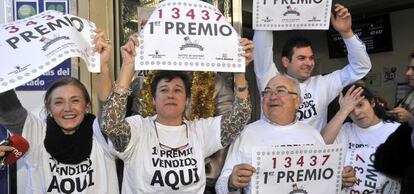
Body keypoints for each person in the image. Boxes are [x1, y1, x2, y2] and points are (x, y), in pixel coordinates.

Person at [99, 35, 253, 193]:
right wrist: (128, 66)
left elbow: (239, 117)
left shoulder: (200, 132)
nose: (170, 95)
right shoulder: (139, 129)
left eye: (177, 90)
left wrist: (240, 72)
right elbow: (111, 124)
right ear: (152, 100)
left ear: (186, 100)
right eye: (164, 90)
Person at [0, 29, 119, 193]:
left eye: (75, 100)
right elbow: (6, 108)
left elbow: (108, 105)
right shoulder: (37, 134)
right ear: (49, 108)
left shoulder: (100, 134)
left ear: (87, 105)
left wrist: (103, 67)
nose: (67, 108)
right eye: (58, 102)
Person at [215, 75, 356, 194]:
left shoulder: (312, 135)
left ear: (297, 101)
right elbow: (220, 187)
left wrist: (340, 181)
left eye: (280, 91)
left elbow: (323, 185)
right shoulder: (245, 133)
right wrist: (231, 182)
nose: (272, 96)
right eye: (267, 92)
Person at [253, 4, 372, 131]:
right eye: (302, 58)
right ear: (286, 61)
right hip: (275, 149)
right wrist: (267, 10)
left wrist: (347, 33)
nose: (309, 63)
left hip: (313, 150)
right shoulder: (271, 80)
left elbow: (361, 67)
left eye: (311, 58)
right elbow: (262, 47)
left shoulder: (323, 85)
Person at [321, 83, 401, 193]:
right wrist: (343, 111)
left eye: (360, 105)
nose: (357, 113)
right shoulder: (345, 130)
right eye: (350, 109)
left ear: (372, 102)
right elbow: (320, 146)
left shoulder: (396, 130)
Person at [390, 48, 414, 123]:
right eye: (409, 68)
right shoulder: (411, 92)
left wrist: (411, 119)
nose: (408, 73)